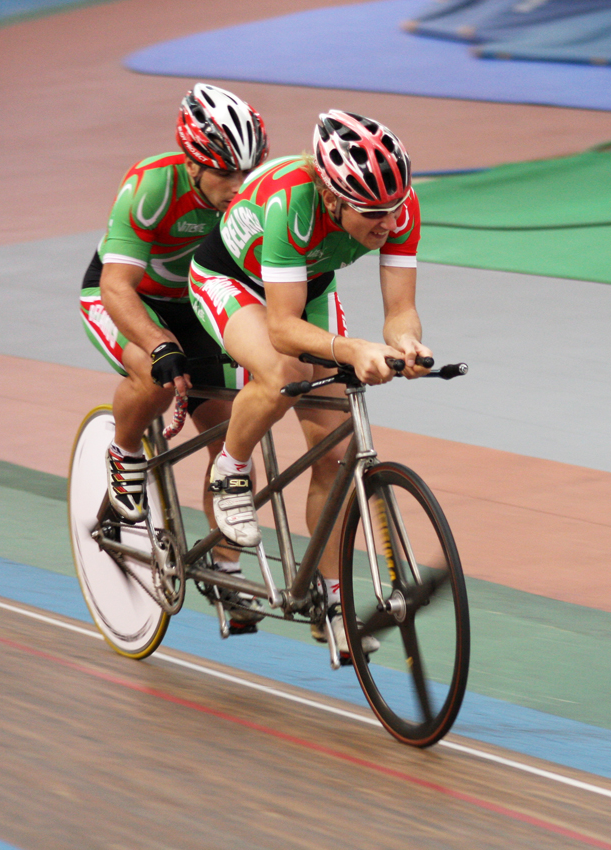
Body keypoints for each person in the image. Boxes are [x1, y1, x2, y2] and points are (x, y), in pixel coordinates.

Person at [188, 110, 432, 658]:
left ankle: (333, 599)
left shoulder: (399, 205)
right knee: (281, 374)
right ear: (330, 198)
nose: (388, 222)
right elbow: (280, 328)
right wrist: (351, 349)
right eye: (371, 213)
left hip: (305, 284)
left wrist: (407, 345)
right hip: (232, 281)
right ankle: (231, 471)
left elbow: (401, 310)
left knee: (338, 451)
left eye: (395, 208)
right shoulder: (289, 204)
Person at [79, 83, 269, 626]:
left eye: (247, 173)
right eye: (226, 174)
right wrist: (161, 345)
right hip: (125, 297)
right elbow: (117, 285)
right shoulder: (152, 185)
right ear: (192, 164)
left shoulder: (254, 193)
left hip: (193, 302)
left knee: (232, 433)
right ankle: (123, 455)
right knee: (156, 376)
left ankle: (227, 573)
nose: (239, 188)